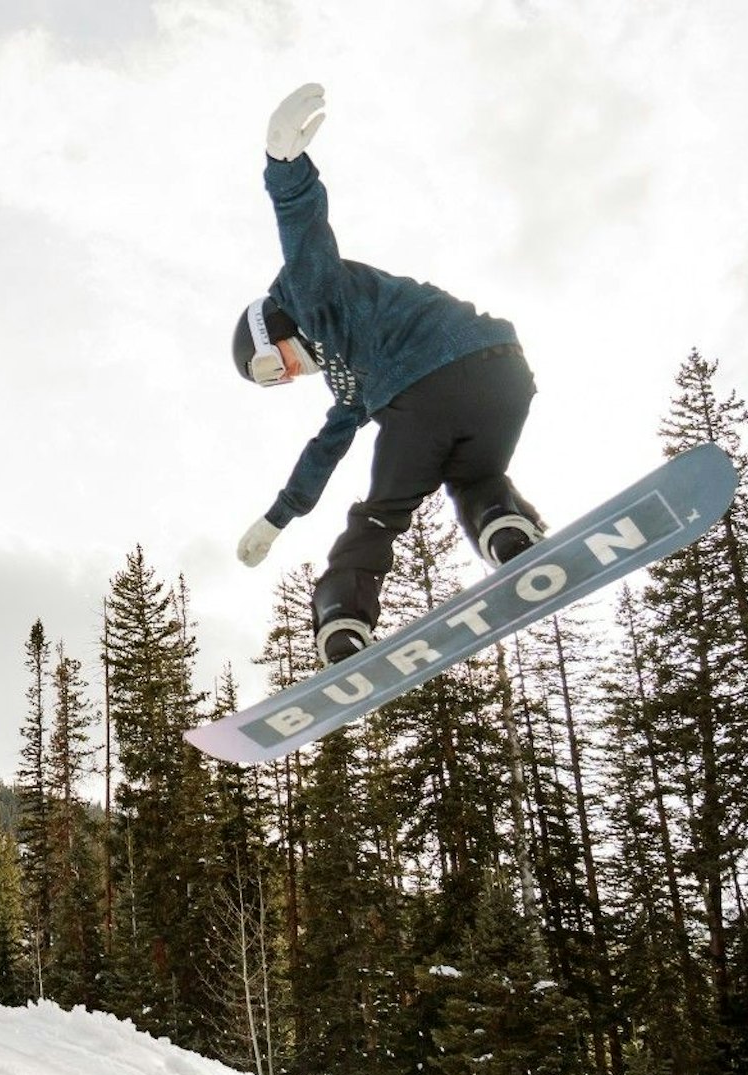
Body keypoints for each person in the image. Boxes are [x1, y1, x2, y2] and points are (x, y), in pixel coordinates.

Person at [233, 83, 544, 665]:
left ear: (275, 324)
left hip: (420, 391)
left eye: (272, 363)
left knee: (378, 516)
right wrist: (277, 519)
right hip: (502, 375)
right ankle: (506, 532)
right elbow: (324, 449)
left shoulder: (311, 297)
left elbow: (304, 234)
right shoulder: (349, 376)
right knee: (476, 478)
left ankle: (343, 618)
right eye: (275, 381)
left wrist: (283, 165)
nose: (288, 375)